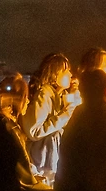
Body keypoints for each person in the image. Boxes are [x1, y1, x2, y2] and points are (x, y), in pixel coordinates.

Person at [24, 52, 75, 181]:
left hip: (49, 165)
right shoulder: (44, 94)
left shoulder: (60, 96)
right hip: (42, 166)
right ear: (55, 74)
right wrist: (65, 114)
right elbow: (34, 131)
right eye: (66, 71)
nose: (71, 74)